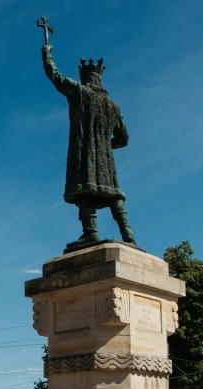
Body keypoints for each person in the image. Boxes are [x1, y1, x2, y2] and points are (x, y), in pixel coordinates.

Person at [41, 44, 137, 250]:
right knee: (112, 192)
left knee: (84, 188)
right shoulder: (112, 105)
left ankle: (90, 233)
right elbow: (124, 138)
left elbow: (55, 76)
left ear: (86, 78)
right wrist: (106, 146)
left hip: (84, 153)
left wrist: (46, 54)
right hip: (106, 157)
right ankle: (128, 234)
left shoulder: (81, 93)